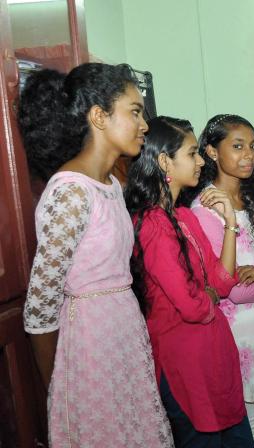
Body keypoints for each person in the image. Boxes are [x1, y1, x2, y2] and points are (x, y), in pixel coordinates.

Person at [19, 63, 173, 447]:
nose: (144, 124)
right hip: (89, 349)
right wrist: (59, 389)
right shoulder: (70, 191)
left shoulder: (111, 184)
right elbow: (39, 308)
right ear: (99, 116)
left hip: (122, 336)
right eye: (135, 111)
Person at [126, 116, 254, 447]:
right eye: (193, 153)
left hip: (213, 352)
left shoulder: (183, 216)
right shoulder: (152, 224)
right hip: (186, 361)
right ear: (165, 161)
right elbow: (191, 305)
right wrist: (206, 293)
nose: (200, 162)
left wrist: (229, 223)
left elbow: (223, 283)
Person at [184, 114, 254, 447]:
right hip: (238, 336)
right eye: (237, 146)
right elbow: (235, 290)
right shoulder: (206, 209)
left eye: (253, 147)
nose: (249, 155)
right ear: (212, 152)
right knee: (246, 434)